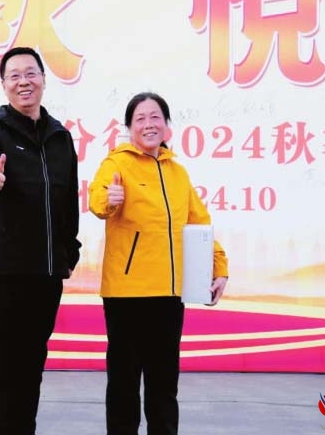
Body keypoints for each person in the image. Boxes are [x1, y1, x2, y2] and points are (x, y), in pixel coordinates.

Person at [88, 92, 229, 435]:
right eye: (140, 118)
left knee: (164, 385)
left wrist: (219, 267)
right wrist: (109, 199)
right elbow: (97, 199)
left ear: (166, 126)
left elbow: (199, 223)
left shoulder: (177, 173)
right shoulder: (116, 164)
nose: (148, 124)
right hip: (126, 294)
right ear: (129, 128)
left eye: (155, 117)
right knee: (124, 385)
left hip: (168, 293)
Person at [0, 46, 81, 435]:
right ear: (4, 85)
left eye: (30, 73)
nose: (23, 82)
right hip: (3, 273)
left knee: (31, 364)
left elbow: (68, 201)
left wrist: (69, 252)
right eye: (14, 76)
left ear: (43, 80)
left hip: (45, 273)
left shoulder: (60, 137)